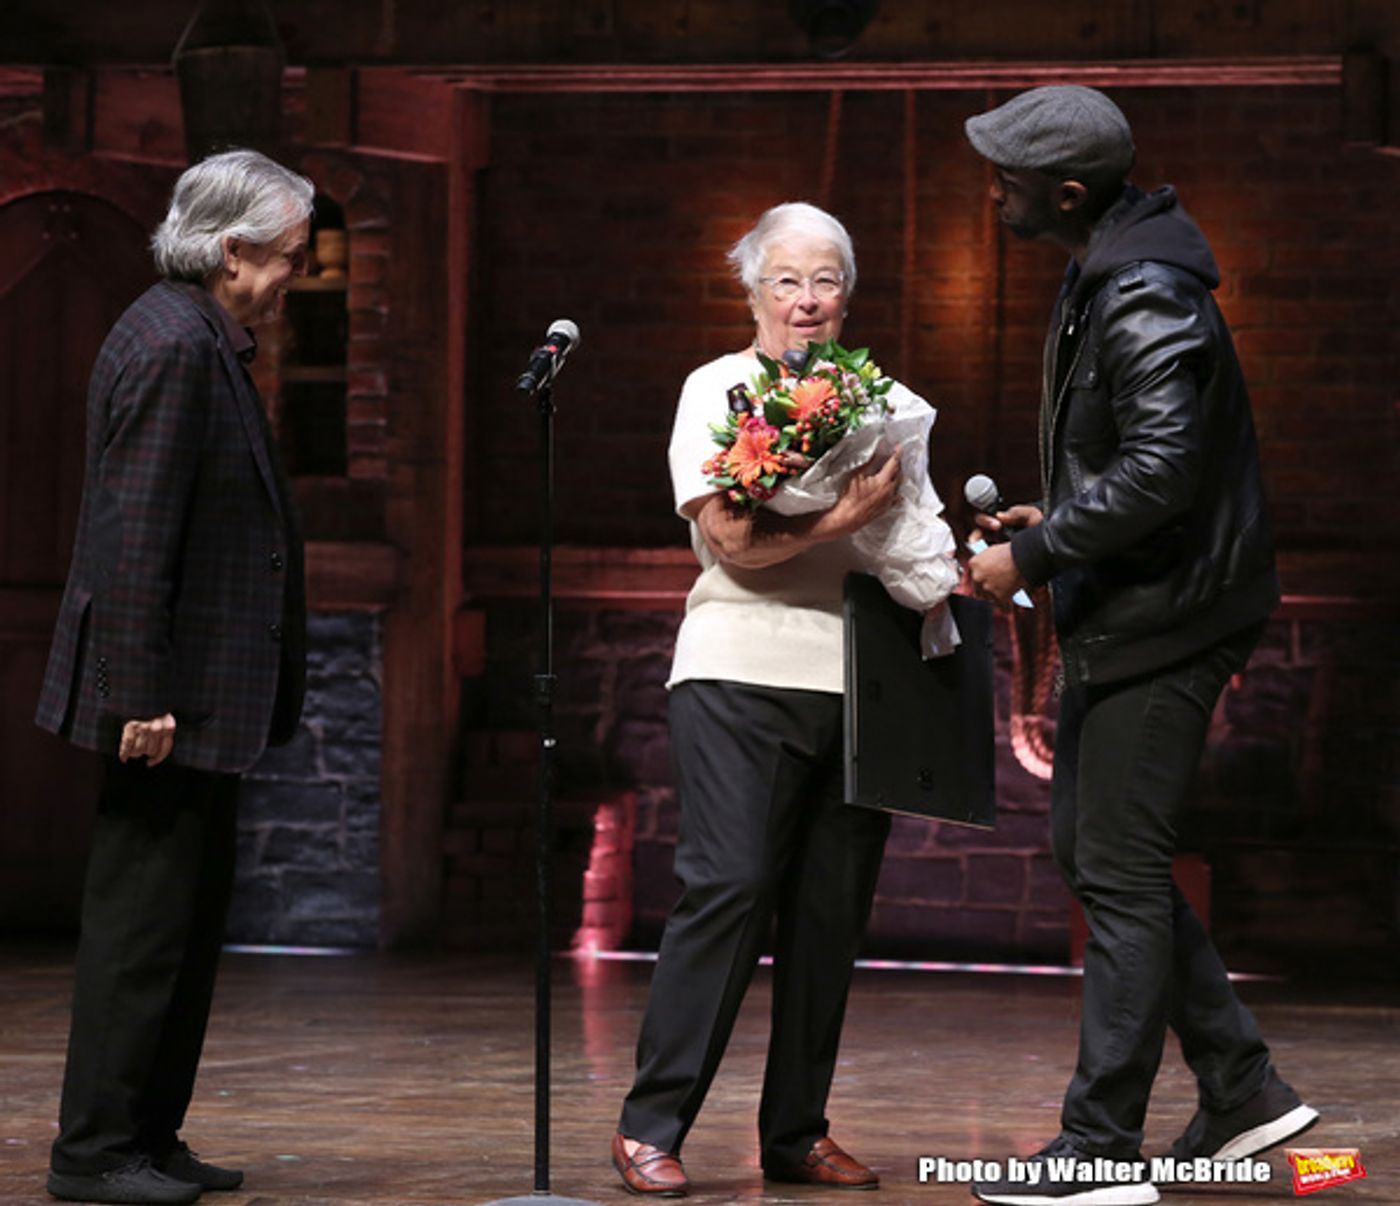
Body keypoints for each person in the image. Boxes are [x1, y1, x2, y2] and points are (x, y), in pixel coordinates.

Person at [962, 87, 1317, 1205]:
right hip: (1137, 606)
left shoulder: (1143, 290)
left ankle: (1098, 1149)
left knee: (1113, 869)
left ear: (1065, 193)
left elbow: (1165, 469)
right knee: (1093, 853)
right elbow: (1137, 454)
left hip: (1172, 619)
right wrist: (1054, 520)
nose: (991, 193)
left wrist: (1036, 557)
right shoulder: (1105, 272)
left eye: (1006, 179)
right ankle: (1241, 1089)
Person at [611, 201, 957, 1196]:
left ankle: (795, 1132)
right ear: (751, 290)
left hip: (859, 680)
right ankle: (650, 1123)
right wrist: (832, 521)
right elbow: (727, 541)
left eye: (826, 282)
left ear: (847, 293)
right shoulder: (715, 388)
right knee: (727, 889)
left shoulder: (884, 400)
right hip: (736, 669)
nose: (807, 301)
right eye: (787, 282)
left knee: (828, 913)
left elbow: (911, 536)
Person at [36, 149, 313, 1206]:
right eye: (287, 255)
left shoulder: (199, 336)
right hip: (167, 700)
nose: (294, 272)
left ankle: (146, 1137)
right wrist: (136, 692)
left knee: (185, 933)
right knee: (140, 935)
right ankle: (95, 1152)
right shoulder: (171, 345)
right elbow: (132, 537)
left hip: (202, 699)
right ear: (231, 249)